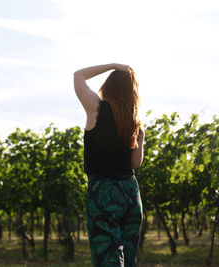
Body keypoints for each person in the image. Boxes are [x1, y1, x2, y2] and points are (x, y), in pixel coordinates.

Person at [74, 63, 144, 266]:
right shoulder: (136, 123)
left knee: (108, 258)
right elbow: (136, 163)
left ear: (109, 86)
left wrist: (113, 65)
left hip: (104, 192)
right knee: (128, 259)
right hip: (131, 193)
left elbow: (79, 75)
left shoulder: (96, 108)